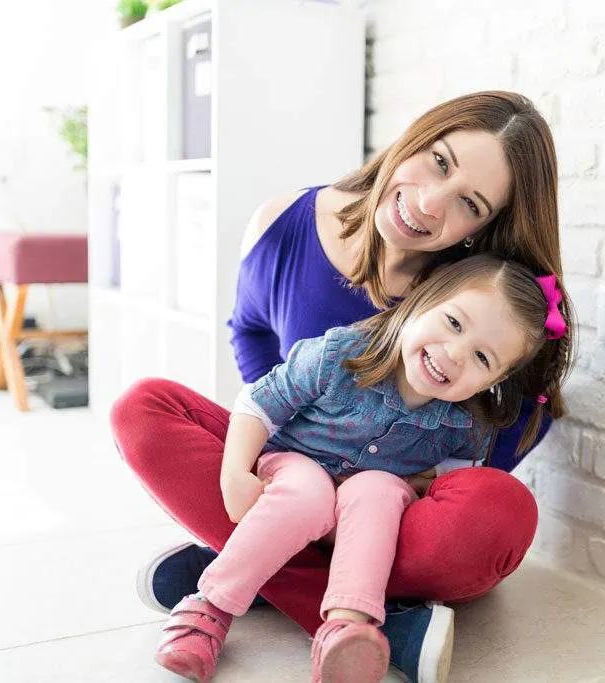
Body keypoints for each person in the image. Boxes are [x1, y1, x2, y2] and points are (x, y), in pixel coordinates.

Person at [110, 91, 571, 683]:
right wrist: (267, 458)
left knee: (500, 514)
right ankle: (366, 622)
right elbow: (252, 342)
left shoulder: (478, 294)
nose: (430, 204)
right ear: (416, 135)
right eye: (438, 161)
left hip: (386, 511)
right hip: (289, 473)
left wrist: (420, 483)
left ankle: (243, 561)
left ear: (486, 228)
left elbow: (526, 411)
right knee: (143, 409)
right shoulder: (283, 225)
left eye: (469, 204)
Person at [153, 255, 573, 683]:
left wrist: (414, 486)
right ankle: (210, 606)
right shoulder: (340, 353)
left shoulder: (464, 422)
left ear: (491, 382)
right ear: (421, 300)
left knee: (377, 491)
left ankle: (346, 629)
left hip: (364, 507)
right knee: (307, 491)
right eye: (454, 323)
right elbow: (259, 404)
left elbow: (451, 481)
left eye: (483, 358)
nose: (453, 354)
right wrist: (236, 472)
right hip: (296, 468)